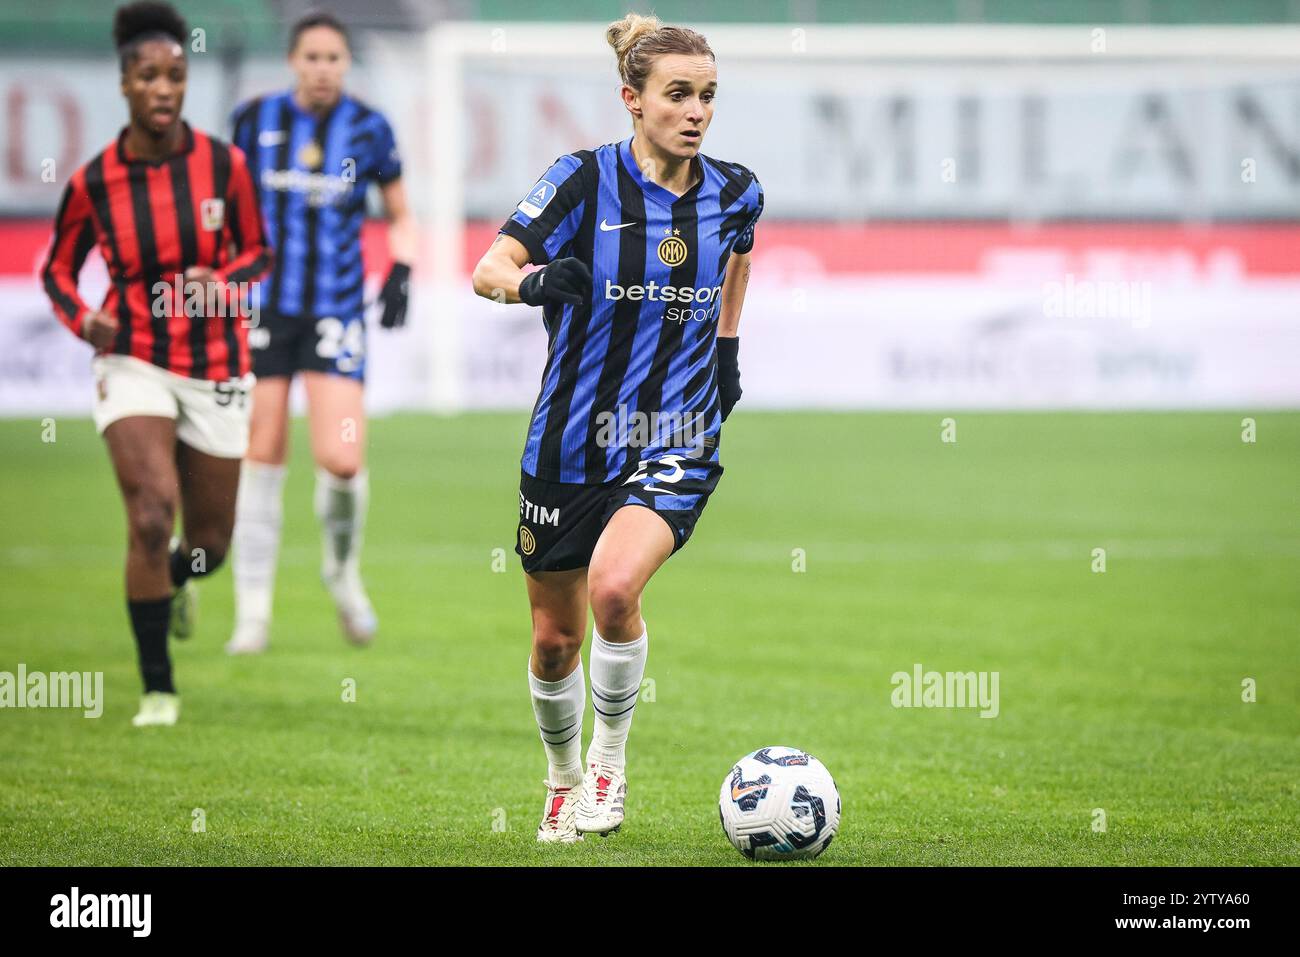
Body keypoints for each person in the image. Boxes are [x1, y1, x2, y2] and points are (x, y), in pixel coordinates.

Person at [471, 12, 763, 842]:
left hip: (676, 432)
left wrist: (727, 353)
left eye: (708, 95)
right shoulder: (578, 181)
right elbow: (489, 269)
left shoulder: (736, 189)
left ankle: (609, 765)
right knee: (554, 642)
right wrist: (533, 286)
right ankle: (562, 779)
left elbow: (740, 252)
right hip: (568, 440)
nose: (696, 111)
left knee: (613, 588)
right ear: (632, 100)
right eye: (678, 94)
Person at [41, 1, 270, 726]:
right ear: (124, 85)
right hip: (134, 355)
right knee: (148, 514)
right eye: (149, 76)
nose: (164, 88)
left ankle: (179, 579)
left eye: (175, 74)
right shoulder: (94, 182)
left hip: (217, 363)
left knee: (209, 545)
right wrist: (86, 319)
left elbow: (259, 252)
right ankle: (158, 688)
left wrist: (225, 281)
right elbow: (55, 270)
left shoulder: (222, 165)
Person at [226, 11, 415, 654]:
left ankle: (341, 572)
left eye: (335, 58)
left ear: (346, 64)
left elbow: (400, 213)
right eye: (312, 57)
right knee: (263, 451)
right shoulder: (253, 122)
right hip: (265, 309)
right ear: (292, 61)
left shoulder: (368, 127)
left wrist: (403, 268)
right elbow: (224, 210)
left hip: (336, 311)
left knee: (341, 457)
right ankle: (252, 614)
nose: (323, 68)